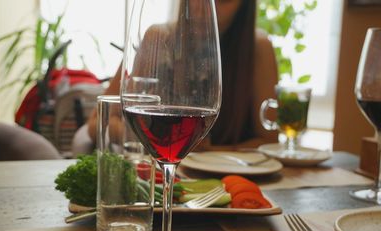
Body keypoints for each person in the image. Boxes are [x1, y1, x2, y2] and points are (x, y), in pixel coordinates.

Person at [85, 0, 278, 152]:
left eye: (224, 0)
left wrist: (210, 151)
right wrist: (154, 139)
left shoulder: (258, 49)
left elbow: (270, 140)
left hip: (230, 182)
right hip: (159, 177)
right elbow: (98, 123)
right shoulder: (157, 40)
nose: (205, 9)